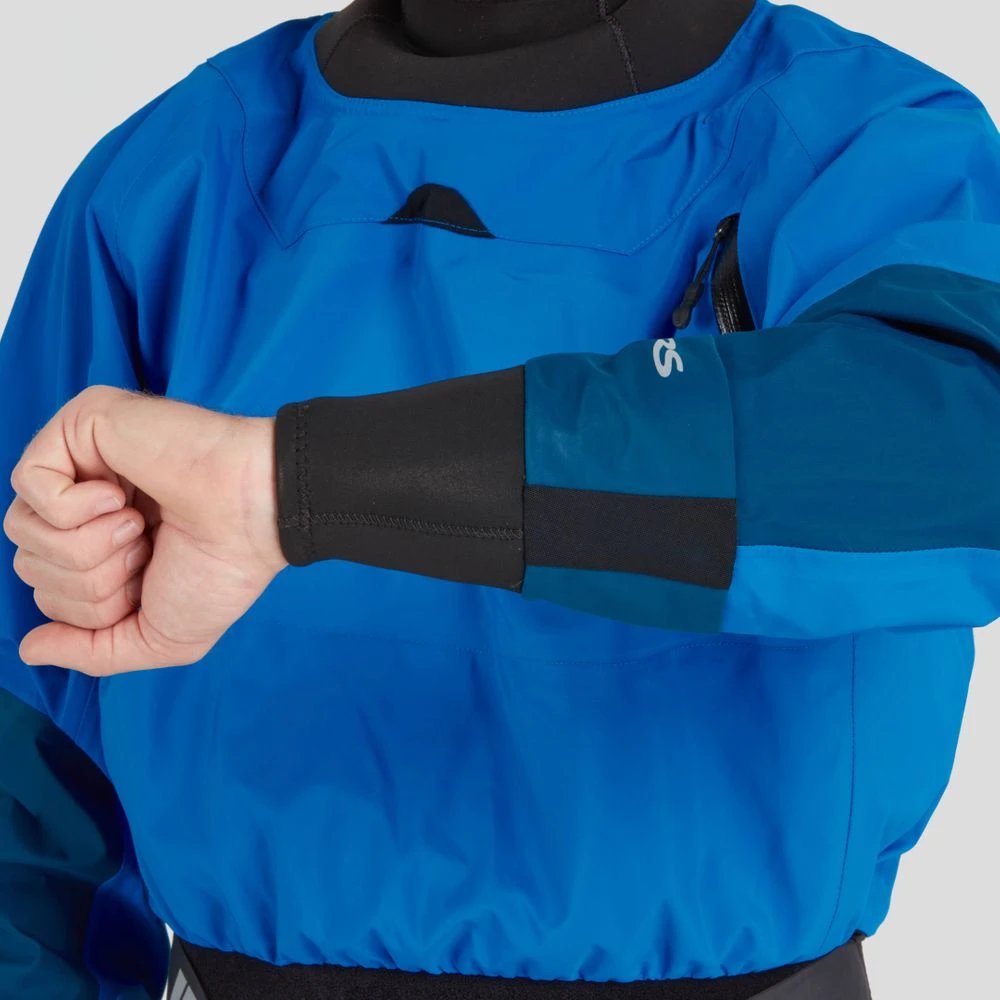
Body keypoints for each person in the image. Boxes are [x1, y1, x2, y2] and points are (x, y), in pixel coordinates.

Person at [2, 0, 999, 996]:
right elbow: (25, 761)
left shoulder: (856, 138)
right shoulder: (180, 170)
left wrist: (290, 487)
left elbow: (946, 444)